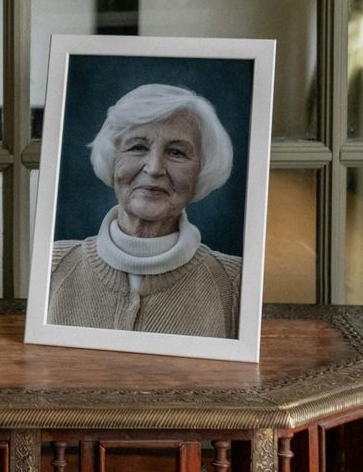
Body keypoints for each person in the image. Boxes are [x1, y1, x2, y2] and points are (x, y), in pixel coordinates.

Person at [48, 82, 243, 337]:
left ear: (201, 171)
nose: (153, 168)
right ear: (112, 158)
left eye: (176, 152)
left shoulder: (236, 283)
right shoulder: (52, 265)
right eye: (137, 147)